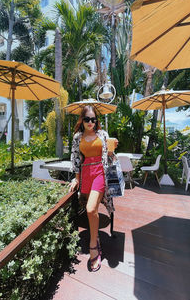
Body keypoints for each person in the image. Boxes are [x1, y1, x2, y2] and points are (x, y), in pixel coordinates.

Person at [69, 105, 117, 272]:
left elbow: (110, 159)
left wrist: (112, 151)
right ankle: (95, 236)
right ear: (82, 120)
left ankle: (93, 244)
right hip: (86, 174)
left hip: (99, 174)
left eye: (93, 119)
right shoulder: (77, 137)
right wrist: (76, 179)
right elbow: (75, 158)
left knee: (90, 209)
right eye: (87, 119)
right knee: (91, 208)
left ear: (97, 121)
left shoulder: (102, 135)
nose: (91, 122)